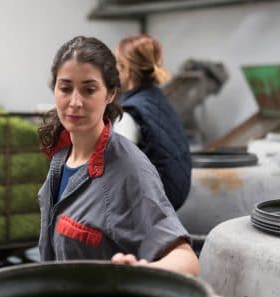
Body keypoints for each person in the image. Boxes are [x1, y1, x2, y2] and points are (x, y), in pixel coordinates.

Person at [37, 36, 199, 276]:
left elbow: (186, 261)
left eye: (89, 89)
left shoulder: (128, 170)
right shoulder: (61, 157)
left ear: (110, 94)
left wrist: (142, 271)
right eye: (65, 88)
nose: (75, 102)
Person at [114, 34, 192, 211]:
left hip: (149, 202)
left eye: (118, 65)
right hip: (172, 196)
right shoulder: (158, 100)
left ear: (128, 70)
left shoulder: (130, 114)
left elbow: (115, 170)